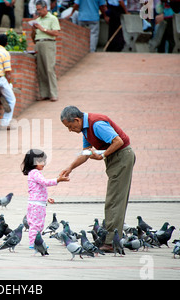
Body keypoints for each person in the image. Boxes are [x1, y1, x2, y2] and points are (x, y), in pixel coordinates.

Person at [59, 106, 135, 252]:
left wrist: (103, 155)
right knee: (114, 199)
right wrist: (70, 168)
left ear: (77, 120)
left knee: (114, 200)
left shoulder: (96, 124)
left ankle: (111, 242)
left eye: (70, 126)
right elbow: (86, 153)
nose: (70, 130)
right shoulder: (85, 129)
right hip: (116, 158)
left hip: (121, 157)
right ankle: (111, 238)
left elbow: (117, 141)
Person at [21, 149, 69, 249]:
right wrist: (58, 180)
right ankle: (34, 243)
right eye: (41, 161)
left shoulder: (33, 173)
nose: (43, 163)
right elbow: (45, 182)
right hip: (36, 205)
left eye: (44, 161)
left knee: (38, 225)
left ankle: (37, 242)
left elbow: (37, 190)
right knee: (36, 225)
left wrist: (46, 198)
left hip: (37, 203)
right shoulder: (35, 173)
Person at [30, 0, 61, 102]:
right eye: (37, 9)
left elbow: (56, 33)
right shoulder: (37, 20)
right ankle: (44, 94)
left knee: (49, 69)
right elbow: (32, 37)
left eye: (40, 9)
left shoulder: (53, 18)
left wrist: (43, 29)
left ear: (45, 8)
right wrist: (34, 30)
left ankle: (53, 94)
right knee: (41, 70)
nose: (38, 11)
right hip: (38, 43)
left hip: (49, 43)